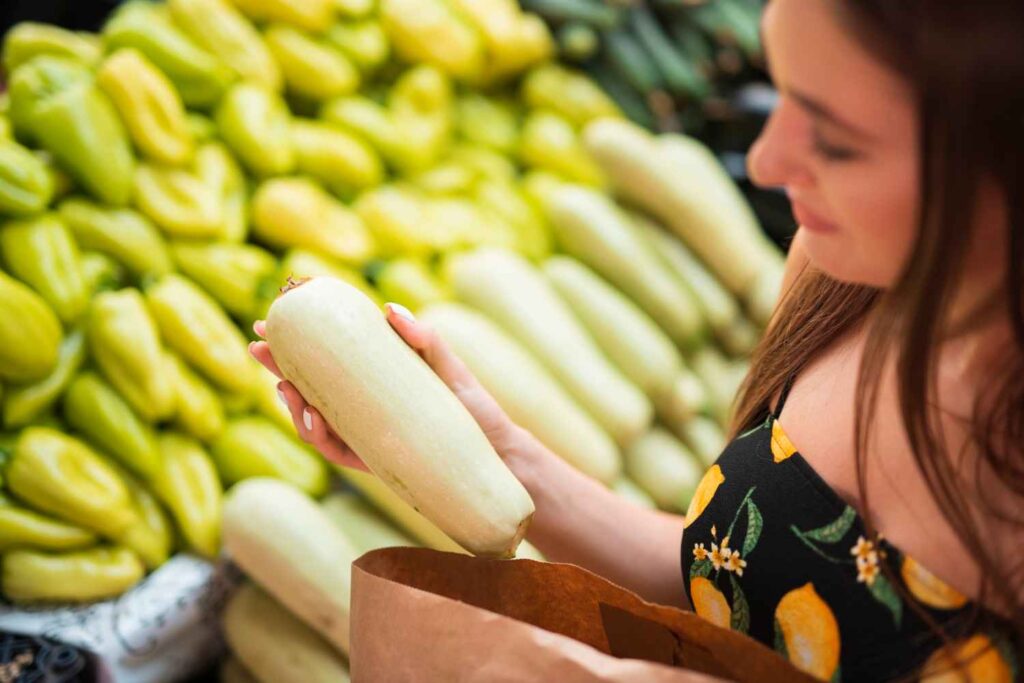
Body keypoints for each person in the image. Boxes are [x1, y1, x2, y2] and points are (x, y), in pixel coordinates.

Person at [250, 0, 1023, 679]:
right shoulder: (835, 277)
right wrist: (494, 452)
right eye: (784, 92)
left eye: (838, 140)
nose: (765, 161)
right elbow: (736, 581)